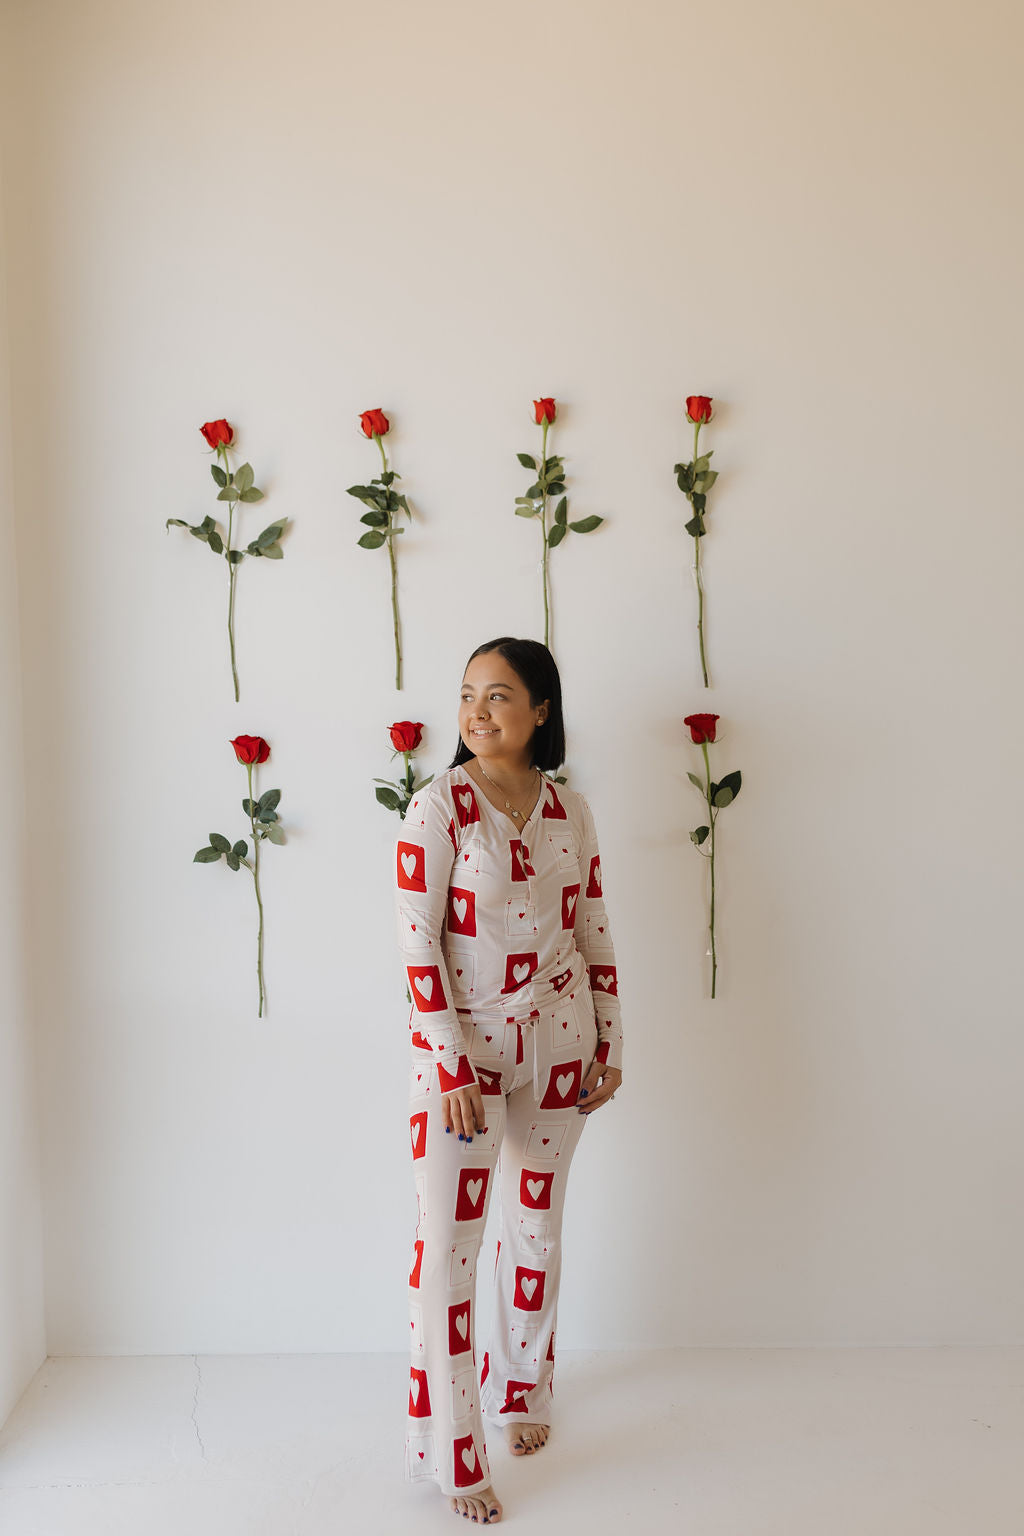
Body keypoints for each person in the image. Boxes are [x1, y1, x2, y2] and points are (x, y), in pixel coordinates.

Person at [396, 636, 623, 1525]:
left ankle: (522, 1393)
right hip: (466, 1060)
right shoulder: (436, 807)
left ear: (540, 712)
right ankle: (453, 1454)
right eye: (466, 696)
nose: (478, 711)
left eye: (499, 696)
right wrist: (450, 1062)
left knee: (534, 1232)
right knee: (446, 1258)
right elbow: (417, 945)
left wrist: (612, 1039)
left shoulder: (572, 809)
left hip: (562, 1044)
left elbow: (595, 924)